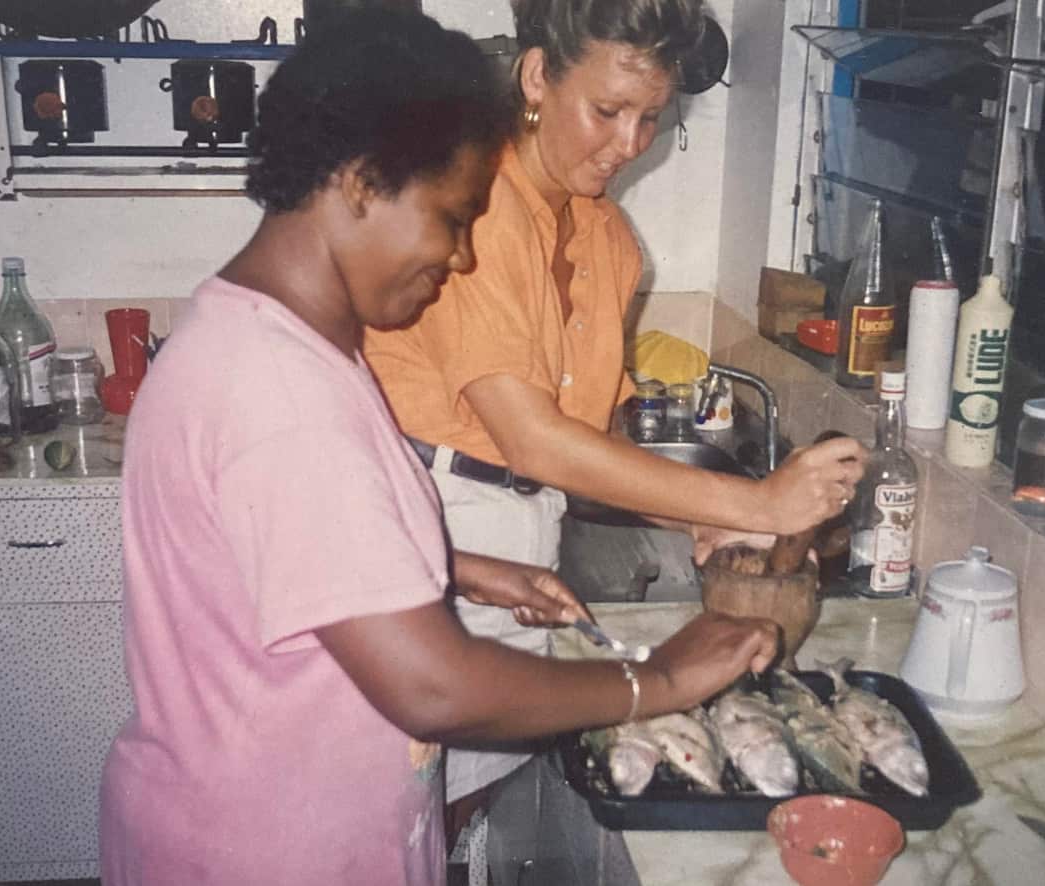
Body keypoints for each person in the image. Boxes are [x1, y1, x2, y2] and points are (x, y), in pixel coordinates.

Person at [99, 8, 782, 885]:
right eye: (452, 218)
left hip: (314, 822)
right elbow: (432, 687)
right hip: (263, 851)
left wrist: (462, 571)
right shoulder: (281, 394)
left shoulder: (279, 345)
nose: (462, 258)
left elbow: (286, 555)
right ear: (361, 183)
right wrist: (663, 682)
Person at [363, 0, 868, 852]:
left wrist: (700, 517)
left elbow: (591, 432)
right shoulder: (477, 207)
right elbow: (533, 439)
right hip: (428, 529)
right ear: (537, 77)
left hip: (515, 540)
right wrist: (758, 505)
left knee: (453, 807)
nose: (629, 144)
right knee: (392, 810)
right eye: (607, 110)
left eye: (650, 118)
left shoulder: (606, 238)